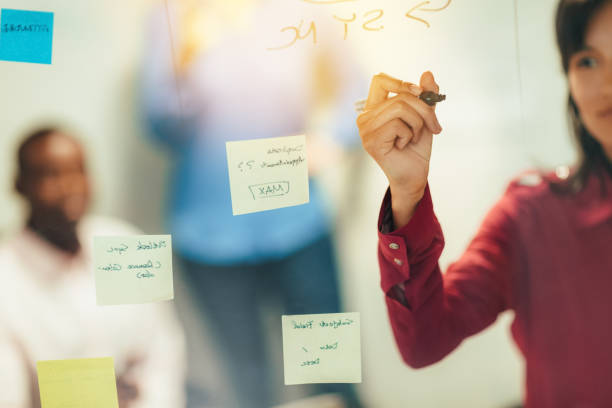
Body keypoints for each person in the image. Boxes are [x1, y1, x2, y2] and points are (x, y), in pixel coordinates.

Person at [357, 0, 612, 406]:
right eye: (587, 61)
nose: (607, 85)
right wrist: (407, 196)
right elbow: (425, 340)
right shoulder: (533, 216)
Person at [141, 1, 366, 407]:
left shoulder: (302, 10)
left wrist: (331, 138)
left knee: (332, 376)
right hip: (209, 236)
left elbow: (360, 91)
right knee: (249, 388)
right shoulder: (173, 15)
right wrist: (186, 64)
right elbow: (159, 125)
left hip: (299, 225)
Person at [0, 128, 186, 407]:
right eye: (51, 174)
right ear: (19, 185)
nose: (70, 186)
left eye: (79, 170)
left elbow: (163, 350)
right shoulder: (7, 278)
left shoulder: (125, 242)